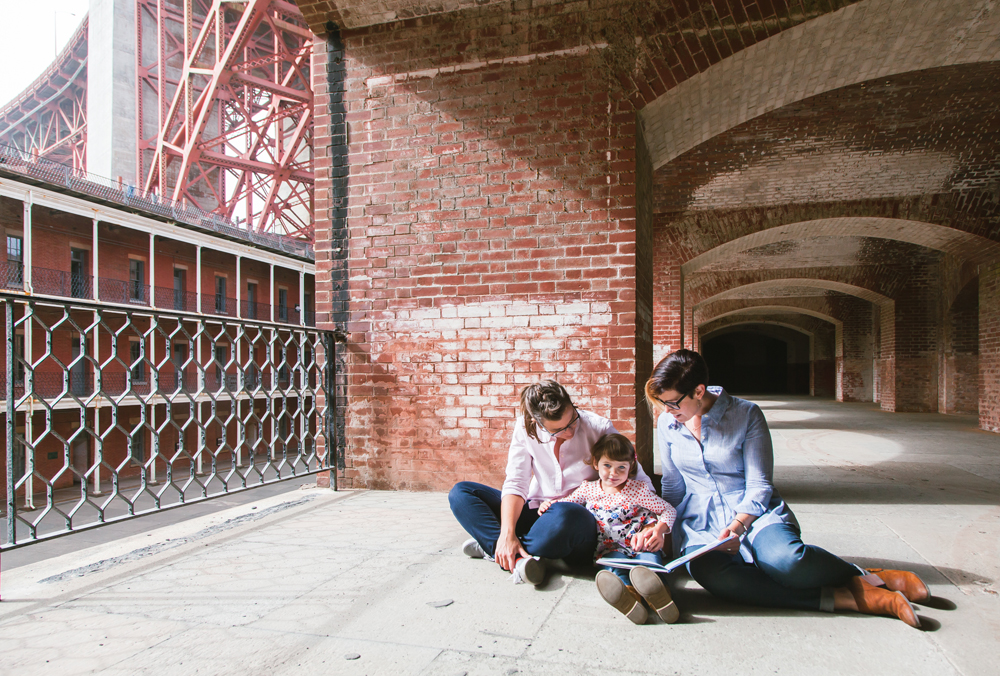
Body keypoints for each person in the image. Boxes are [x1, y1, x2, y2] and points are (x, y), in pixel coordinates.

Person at [646, 349, 930, 628]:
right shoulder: (668, 425)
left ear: (698, 391)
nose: (668, 411)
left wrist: (736, 527)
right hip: (701, 522)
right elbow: (673, 485)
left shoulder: (746, 414)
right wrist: (665, 529)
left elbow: (759, 485)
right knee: (719, 579)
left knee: (786, 562)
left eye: (672, 403)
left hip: (752, 513)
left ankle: (864, 576)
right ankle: (847, 598)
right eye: (663, 404)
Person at [449, 380, 654, 585]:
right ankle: (511, 553)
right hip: (539, 510)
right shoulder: (524, 428)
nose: (570, 431)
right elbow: (516, 482)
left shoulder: (598, 427)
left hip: (579, 520)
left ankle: (493, 547)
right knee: (462, 493)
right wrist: (506, 534)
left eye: (572, 420)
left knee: (567, 514)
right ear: (537, 423)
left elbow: (637, 476)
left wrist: (654, 523)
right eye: (559, 430)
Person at [539, 433, 679, 624]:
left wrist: (659, 530)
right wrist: (549, 505)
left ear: (630, 468)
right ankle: (631, 600)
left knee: (649, 569)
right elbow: (566, 504)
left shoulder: (638, 490)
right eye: (608, 466)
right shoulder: (588, 489)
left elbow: (668, 510)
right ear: (596, 463)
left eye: (621, 467)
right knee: (617, 570)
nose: (613, 473)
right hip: (610, 549)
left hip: (643, 544)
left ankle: (660, 596)